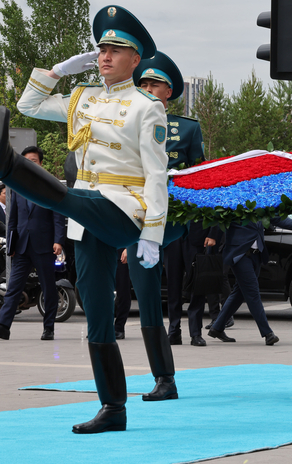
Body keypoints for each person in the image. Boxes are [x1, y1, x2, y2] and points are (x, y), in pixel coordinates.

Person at [11, 6, 167, 433]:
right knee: (96, 311)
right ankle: (113, 408)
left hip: (122, 209)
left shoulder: (146, 107)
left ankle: (12, 169)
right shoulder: (81, 98)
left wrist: (152, 233)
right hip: (86, 216)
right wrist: (60, 70)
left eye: (116, 49)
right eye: (101, 49)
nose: (105, 56)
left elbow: (156, 174)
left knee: (69, 197)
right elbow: (29, 103)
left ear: (136, 60)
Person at [130, 52, 204, 351]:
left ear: (168, 92)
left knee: (195, 273)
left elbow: (198, 171)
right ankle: (173, 328)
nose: (147, 90)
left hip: (182, 211)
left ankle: (196, 328)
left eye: (154, 86)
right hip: (151, 212)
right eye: (143, 85)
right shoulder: (131, 124)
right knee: (170, 277)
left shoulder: (187, 127)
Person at [207, 218, 292, 345]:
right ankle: (267, 333)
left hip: (256, 255)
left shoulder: (262, 201)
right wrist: (212, 237)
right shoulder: (234, 200)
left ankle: (217, 328)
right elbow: (220, 217)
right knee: (253, 293)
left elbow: (276, 218)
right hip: (239, 253)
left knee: (239, 292)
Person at [0, 147, 66, 341]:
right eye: (27, 160)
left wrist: (58, 240)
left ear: (40, 163)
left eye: (34, 160)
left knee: (48, 287)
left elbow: (58, 215)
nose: (30, 163)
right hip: (21, 247)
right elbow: (13, 219)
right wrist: (11, 245)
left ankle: (49, 328)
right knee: (13, 287)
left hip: (44, 245)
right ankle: (4, 325)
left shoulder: (49, 186)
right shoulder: (18, 187)